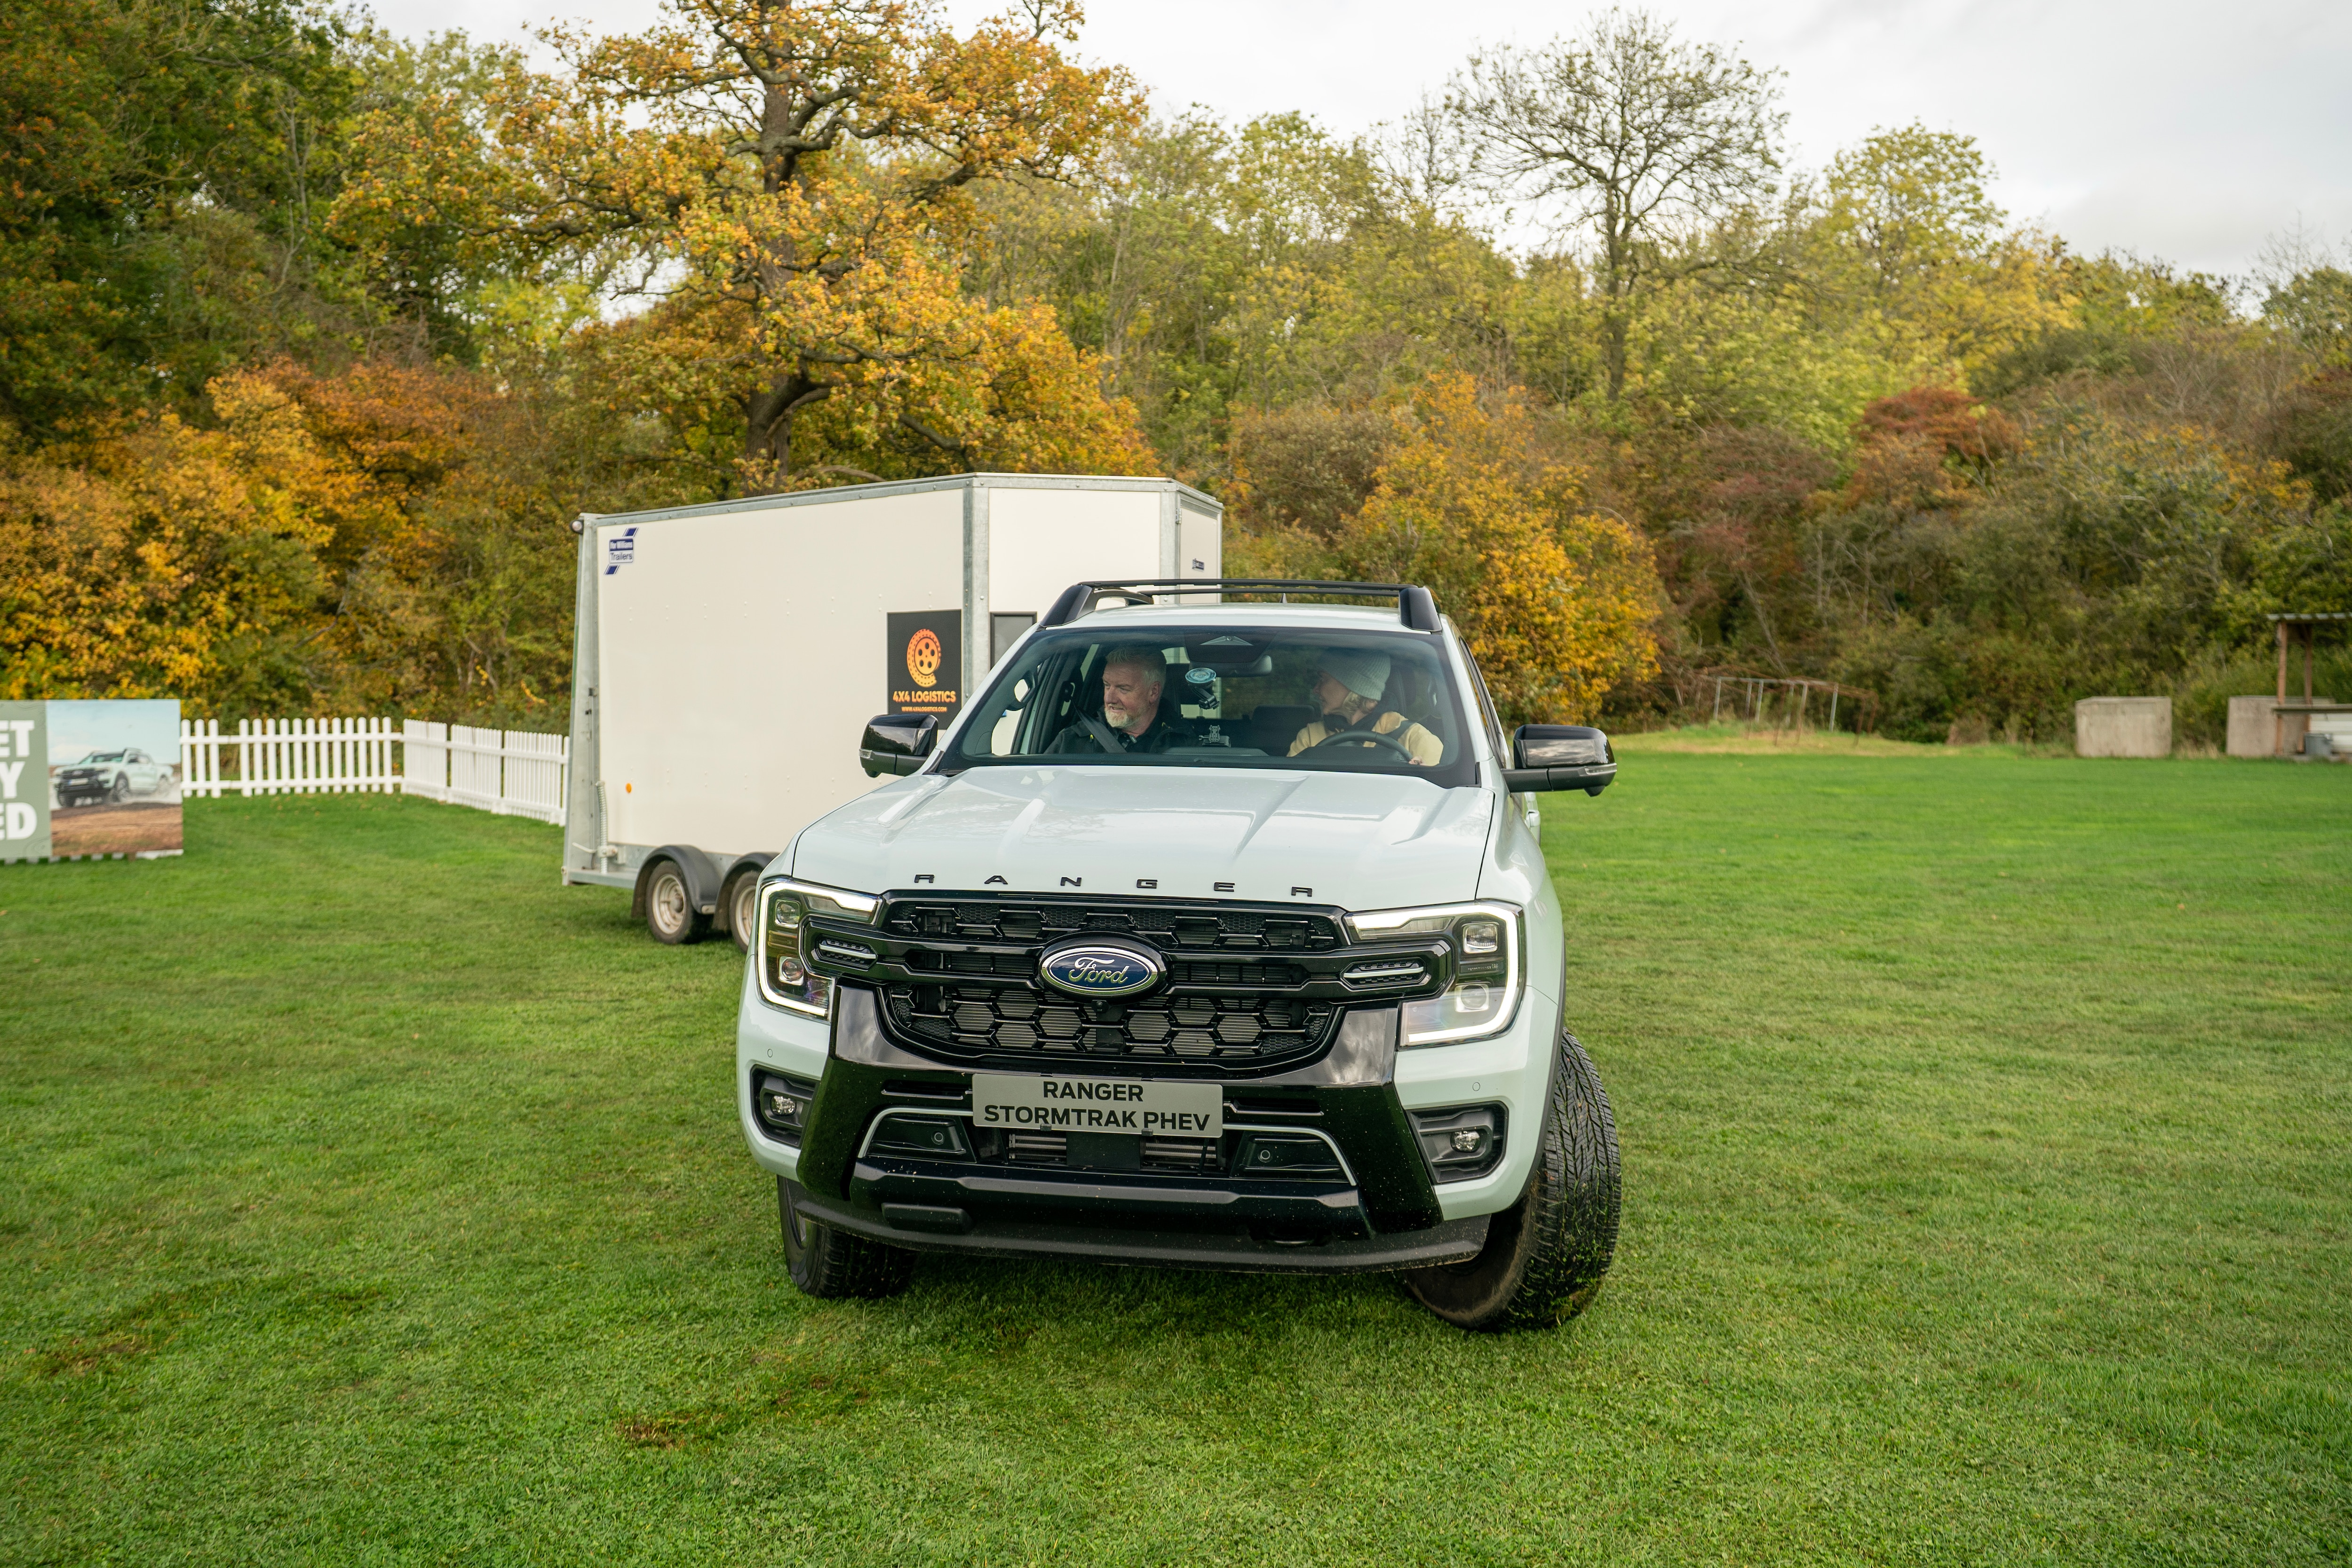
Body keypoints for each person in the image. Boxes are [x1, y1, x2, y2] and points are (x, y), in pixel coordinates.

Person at [1289, 648, 1444, 764]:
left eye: (1323, 679)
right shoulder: (1310, 736)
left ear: (1353, 687)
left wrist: (1421, 777)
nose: (1316, 689)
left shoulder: (1416, 739)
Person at [1044, 645, 1199, 755]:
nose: (1109, 698)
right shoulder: (1073, 742)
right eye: (1106, 685)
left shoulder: (1184, 743)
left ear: (1153, 692)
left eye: (1123, 689)